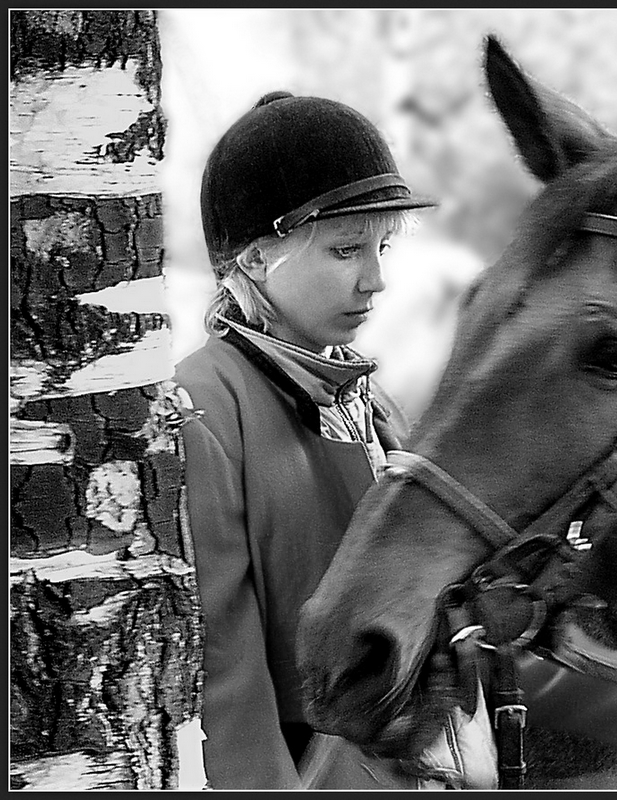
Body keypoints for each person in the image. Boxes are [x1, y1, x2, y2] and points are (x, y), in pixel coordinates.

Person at [173, 89, 437, 789]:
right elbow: (225, 666)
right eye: (347, 249)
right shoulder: (203, 405)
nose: (377, 279)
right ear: (255, 260)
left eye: (382, 247)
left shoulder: (376, 404)